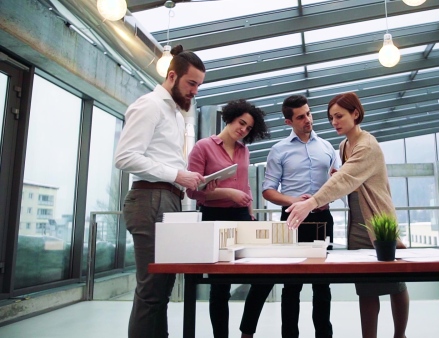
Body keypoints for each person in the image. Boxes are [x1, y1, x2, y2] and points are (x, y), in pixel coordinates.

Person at [285, 92, 410, 338]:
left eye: (339, 116)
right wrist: (337, 179)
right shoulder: (344, 146)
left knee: (395, 283)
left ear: (355, 113)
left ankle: (399, 335)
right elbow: (347, 181)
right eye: (331, 118)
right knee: (365, 287)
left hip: (379, 221)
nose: (334, 122)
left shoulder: (367, 144)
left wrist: (312, 201)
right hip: (357, 224)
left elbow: (347, 177)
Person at [114, 45, 211, 338]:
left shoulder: (175, 113)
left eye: (199, 85)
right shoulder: (150, 105)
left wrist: (183, 179)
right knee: (152, 290)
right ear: (172, 76)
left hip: (166, 198)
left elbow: (161, 159)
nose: (195, 91)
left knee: (162, 290)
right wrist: (177, 174)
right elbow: (125, 157)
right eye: (191, 83)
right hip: (151, 199)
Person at [237, 95, 338, 338]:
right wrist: (293, 200)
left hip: (323, 221)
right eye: (301, 117)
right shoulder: (279, 150)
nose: (308, 120)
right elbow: (268, 190)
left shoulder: (327, 147)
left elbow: (338, 183)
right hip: (293, 221)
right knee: (291, 285)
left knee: (322, 286)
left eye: (309, 113)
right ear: (288, 121)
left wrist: (334, 183)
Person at [186, 99, 270, 338]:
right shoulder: (203, 147)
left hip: (242, 217)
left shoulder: (245, 151)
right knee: (220, 287)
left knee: (265, 276)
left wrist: (251, 212)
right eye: (241, 123)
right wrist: (227, 192)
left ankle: (247, 332)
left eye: (248, 128)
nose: (243, 129)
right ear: (231, 117)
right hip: (214, 217)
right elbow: (192, 191)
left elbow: (245, 186)